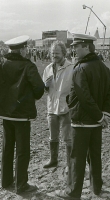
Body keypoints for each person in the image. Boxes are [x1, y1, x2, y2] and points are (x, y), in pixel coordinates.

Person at [55, 33, 110, 199]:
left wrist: (99, 116)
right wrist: (105, 114)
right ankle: (96, 187)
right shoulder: (103, 67)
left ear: (87, 47)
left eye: (76, 46)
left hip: (82, 122)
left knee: (77, 158)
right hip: (97, 123)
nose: (73, 49)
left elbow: (84, 97)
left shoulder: (80, 68)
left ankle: (73, 192)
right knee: (95, 156)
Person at [0, 35, 44, 194]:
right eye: (26, 48)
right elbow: (39, 89)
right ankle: (21, 185)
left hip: (5, 113)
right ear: (22, 49)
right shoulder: (28, 66)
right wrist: (25, 97)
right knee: (22, 150)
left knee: (7, 147)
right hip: (22, 114)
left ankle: (6, 181)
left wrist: (4, 98)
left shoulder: (0, 63)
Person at [42, 41, 73, 169]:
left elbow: (74, 88)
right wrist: (45, 86)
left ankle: (70, 164)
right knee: (53, 136)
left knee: (68, 138)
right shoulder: (48, 68)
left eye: (57, 53)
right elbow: (44, 89)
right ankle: (53, 160)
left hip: (66, 108)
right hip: (51, 108)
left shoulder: (71, 67)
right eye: (52, 53)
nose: (54, 56)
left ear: (64, 53)